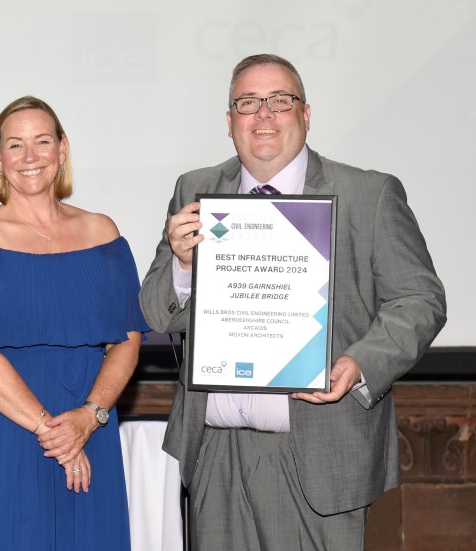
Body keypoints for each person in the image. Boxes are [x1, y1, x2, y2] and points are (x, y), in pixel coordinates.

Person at [139, 54, 446, 550]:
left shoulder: (368, 194)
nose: (264, 115)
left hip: (321, 454)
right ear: (229, 121)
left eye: (280, 101)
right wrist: (182, 264)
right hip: (218, 453)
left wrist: (358, 364)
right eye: (248, 103)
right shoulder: (195, 190)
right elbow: (156, 311)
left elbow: (420, 298)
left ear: (306, 114)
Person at [0, 96, 148, 550]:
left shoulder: (104, 234)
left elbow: (128, 343)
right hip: (4, 428)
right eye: (15, 146)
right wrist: (55, 432)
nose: (30, 157)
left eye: (42, 142)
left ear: (63, 149)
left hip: (91, 423)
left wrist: (88, 420)